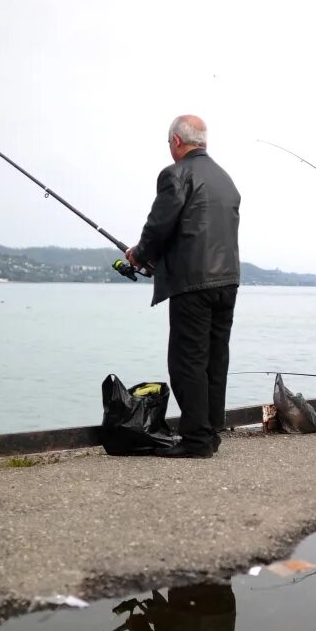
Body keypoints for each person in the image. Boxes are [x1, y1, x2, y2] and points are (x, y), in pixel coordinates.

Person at [125, 115, 241, 458]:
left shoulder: (175, 174)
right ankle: (210, 431)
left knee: (187, 361)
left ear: (177, 141)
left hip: (193, 282)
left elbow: (160, 224)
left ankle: (196, 440)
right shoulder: (225, 178)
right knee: (215, 359)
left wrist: (139, 254)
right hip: (228, 280)